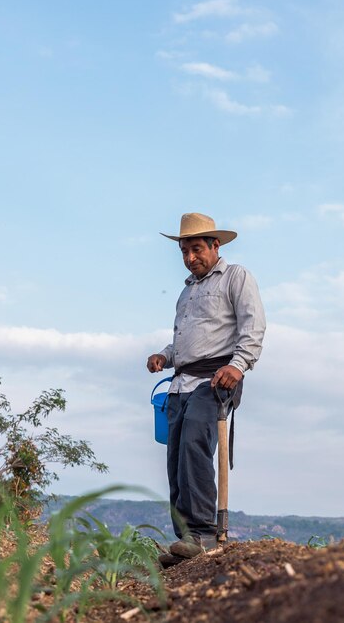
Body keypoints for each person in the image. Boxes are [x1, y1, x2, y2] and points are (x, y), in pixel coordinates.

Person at [147, 212, 266, 561]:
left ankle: (202, 534)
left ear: (215, 246)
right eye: (184, 251)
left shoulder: (236, 277)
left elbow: (253, 326)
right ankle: (185, 539)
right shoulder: (187, 292)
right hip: (181, 383)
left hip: (216, 378)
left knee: (196, 444)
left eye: (196, 249)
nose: (190, 258)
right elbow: (184, 342)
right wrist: (164, 357)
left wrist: (238, 365)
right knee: (176, 457)